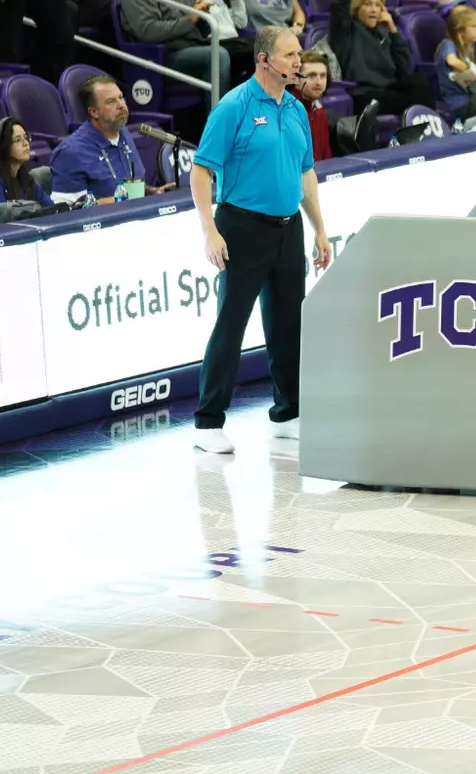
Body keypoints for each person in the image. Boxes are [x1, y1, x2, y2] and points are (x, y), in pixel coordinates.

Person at [190, 25, 331, 454]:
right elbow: (200, 170)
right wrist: (210, 230)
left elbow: (305, 171)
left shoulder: (295, 109)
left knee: (289, 326)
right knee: (231, 325)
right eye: (289, 55)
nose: (298, 62)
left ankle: (288, 413)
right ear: (264, 59)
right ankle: (208, 422)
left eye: (298, 55)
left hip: (288, 228)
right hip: (242, 228)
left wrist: (320, 228)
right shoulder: (233, 107)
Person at [330, 0, 427, 115]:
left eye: (378, 5)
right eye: (367, 4)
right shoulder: (346, 30)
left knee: (419, 81)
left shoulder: (383, 32)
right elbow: (340, 2)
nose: (374, 9)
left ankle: (429, 132)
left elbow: (405, 69)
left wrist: (393, 31)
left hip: (390, 89)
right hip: (365, 95)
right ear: (357, 8)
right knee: (406, 102)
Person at [51, 73, 168, 201]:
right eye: (111, 102)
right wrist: (118, 201)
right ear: (94, 112)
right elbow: (66, 211)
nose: (121, 105)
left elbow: (130, 189)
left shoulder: (123, 134)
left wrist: (153, 192)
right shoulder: (70, 153)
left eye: (121, 97)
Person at [296, 50, 335, 161]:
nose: (319, 82)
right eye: (312, 76)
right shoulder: (287, 112)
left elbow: (326, 155)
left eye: (323, 76)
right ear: (296, 80)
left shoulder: (318, 111)